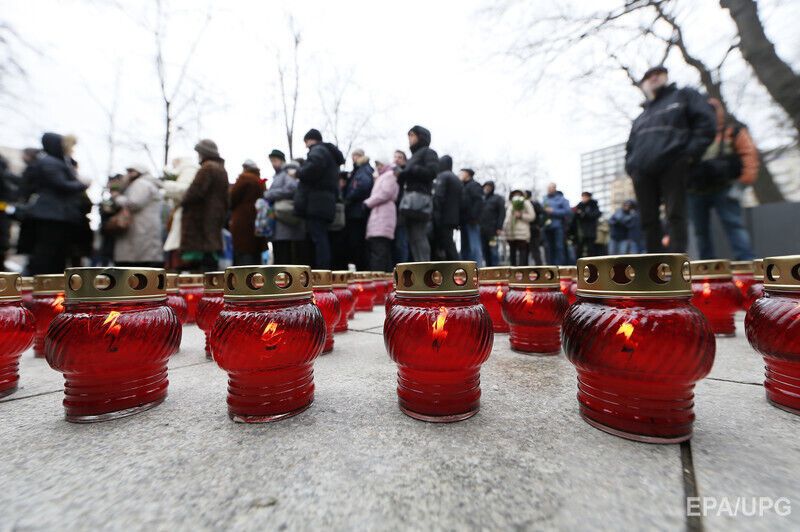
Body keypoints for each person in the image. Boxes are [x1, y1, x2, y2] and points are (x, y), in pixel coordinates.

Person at [625, 65, 717, 253]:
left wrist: (689, 155)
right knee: (648, 220)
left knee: (676, 215)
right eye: (648, 76)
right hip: (642, 171)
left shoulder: (684, 95)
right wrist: (631, 166)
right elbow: (630, 144)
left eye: (657, 74)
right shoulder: (642, 115)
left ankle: (676, 267)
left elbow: (706, 122)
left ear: (666, 76)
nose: (653, 78)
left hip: (674, 163)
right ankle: (653, 268)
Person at [687, 97, 758, 260]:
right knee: (700, 232)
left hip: (724, 188)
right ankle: (707, 270)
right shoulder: (691, 135)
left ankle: (746, 266)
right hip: (695, 191)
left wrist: (742, 183)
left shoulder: (732, 131)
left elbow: (749, 154)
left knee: (734, 226)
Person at [23, 132, 89, 275]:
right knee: (47, 252)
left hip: (59, 214)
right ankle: (41, 281)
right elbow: (61, 184)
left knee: (57, 253)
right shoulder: (49, 162)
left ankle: (51, 281)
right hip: (51, 214)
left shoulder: (57, 161)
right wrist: (82, 184)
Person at [296, 129, 344, 269]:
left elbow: (313, 167)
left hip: (316, 203)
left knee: (318, 239)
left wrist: (299, 173)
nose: (306, 146)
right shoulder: (329, 154)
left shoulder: (318, 150)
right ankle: (324, 269)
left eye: (306, 142)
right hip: (325, 202)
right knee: (322, 238)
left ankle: (321, 271)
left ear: (311, 139)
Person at [180, 139, 229, 272]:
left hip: (200, 219)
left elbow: (195, 192)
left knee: (199, 261)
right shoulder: (222, 169)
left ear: (204, 153)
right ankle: (211, 288)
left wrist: (182, 201)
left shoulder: (207, 168)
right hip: (214, 218)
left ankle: (200, 290)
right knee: (211, 254)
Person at [397, 125, 438, 262]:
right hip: (409, 201)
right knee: (412, 238)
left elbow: (432, 172)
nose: (409, 139)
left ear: (421, 136)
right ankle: (419, 268)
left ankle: (425, 269)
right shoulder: (413, 156)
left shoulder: (428, 153)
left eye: (412, 135)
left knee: (419, 235)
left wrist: (410, 170)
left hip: (420, 200)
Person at [113, 164, 164, 268]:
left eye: (131, 171)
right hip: (144, 226)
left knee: (141, 260)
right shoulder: (146, 183)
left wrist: (117, 198)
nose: (128, 175)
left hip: (141, 227)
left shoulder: (141, 183)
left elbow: (134, 203)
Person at [265, 155, 309, 265]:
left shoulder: (287, 173)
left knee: (285, 258)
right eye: (271, 161)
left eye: (275, 160)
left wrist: (270, 194)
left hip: (286, 221)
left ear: (282, 160)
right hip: (284, 224)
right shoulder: (279, 175)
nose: (273, 164)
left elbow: (292, 188)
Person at [162, 157, 199, 269]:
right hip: (183, 218)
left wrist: (166, 185)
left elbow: (184, 190)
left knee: (182, 260)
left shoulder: (189, 170)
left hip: (187, 220)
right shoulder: (185, 170)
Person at [363, 159, 399, 272]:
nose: (378, 167)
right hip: (379, 217)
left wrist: (367, 203)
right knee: (382, 251)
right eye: (377, 165)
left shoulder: (389, 175)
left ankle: (379, 277)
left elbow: (385, 193)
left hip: (383, 217)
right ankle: (385, 279)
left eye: (380, 164)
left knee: (379, 251)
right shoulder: (382, 177)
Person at [230, 159, 267, 265]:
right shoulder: (260, 181)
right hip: (258, 220)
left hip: (242, 220)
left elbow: (232, 198)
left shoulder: (244, 178)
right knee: (255, 252)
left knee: (243, 251)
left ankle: (243, 279)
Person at [343, 148, 374, 270]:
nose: (353, 158)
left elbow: (363, 186)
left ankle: (362, 269)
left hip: (358, 212)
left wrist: (349, 197)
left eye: (355, 155)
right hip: (357, 212)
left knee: (358, 243)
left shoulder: (363, 170)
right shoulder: (359, 170)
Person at [432, 155, 462, 260]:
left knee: (446, 243)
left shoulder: (443, 176)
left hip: (443, 216)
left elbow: (438, 196)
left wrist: (436, 214)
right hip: (453, 217)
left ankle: (457, 266)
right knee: (448, 242)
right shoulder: (456, 179)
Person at [458, 168, 484, 265]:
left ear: (468, 174)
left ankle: (477, 268)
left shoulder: (474, 185)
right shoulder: (462, 187)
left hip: (472, 221)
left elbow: (479, 202)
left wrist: (474, 217)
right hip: (464, 221)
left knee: (474, 246)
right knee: (464, 247)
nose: (459, 175)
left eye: (462, 173)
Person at [503, 190, 535, 266]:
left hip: (522, 233)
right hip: (510, 233)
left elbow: (532, 216)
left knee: (523, 254)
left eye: (518, 193)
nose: (516, 195)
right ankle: (513, 272)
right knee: (512, 254)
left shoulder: (526, 202)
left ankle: (522, 272)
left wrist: (521, 216)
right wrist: (505, 229)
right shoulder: (509, 204)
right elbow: (507, 219)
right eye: (514, 193)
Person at [542, 182, 571, 265]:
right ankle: (550, 268)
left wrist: (553, 211)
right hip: (547, 227)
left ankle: (560, 267)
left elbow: (567, 212)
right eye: (548, 188)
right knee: (548, 248)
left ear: (555, 188)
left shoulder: (562, 199)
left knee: (559, 247)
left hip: (558, 227)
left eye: (550, 188)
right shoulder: (544, 199)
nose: (549, 190)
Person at [479, 180, 505, 266]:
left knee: (493, 250)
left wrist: (499, 227)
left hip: (493, 231)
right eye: (486, 186)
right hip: (482, 230)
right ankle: (487, 268)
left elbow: (502, 213)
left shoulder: (498, 198)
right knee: (484, 250)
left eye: (489, 187)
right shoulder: (481, 198)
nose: (487, 188)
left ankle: (495, 268)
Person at [392, 149, 409, 265]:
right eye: (395, 157)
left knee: (401, 242)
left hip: (402, 211)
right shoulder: (390, 173)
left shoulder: (406, 174)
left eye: (400, 157)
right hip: (392, 211)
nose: (397, 159)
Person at [573, 192, 602, 259]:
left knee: (591, 249)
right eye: (583, 197)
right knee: (579, 249)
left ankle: (591, 264)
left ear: (589, 197)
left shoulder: (593, 205)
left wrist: (584, 214)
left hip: (591, 231)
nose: (584, 198)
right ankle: (579, 264)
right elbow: (575, 217)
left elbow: (596, 214)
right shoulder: (579, 205)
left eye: (585, 197)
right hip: (581, 232)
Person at [524, 190, 545, 265]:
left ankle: (539, 268)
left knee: (535, 250)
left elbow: (543, 214)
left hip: (534, 230)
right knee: (525, 251)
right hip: (524, 230)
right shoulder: (522, 205)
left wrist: (539, 225)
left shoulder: (535, 204)